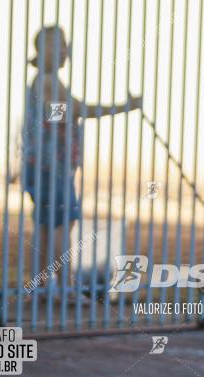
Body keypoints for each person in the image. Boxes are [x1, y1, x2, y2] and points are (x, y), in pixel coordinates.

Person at [22, 25, 142, 298]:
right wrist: (122, 107)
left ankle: (41, 286)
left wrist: (122, 107)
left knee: (45, 223)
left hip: (44, 167)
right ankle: (66, 288)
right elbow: (70, 111)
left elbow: (77, 109)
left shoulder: (48, 80)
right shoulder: (46, 81)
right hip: (51, 168)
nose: (63, 50)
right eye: (56, 45)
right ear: (41, 52)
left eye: (64, 44)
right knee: (61, 223)